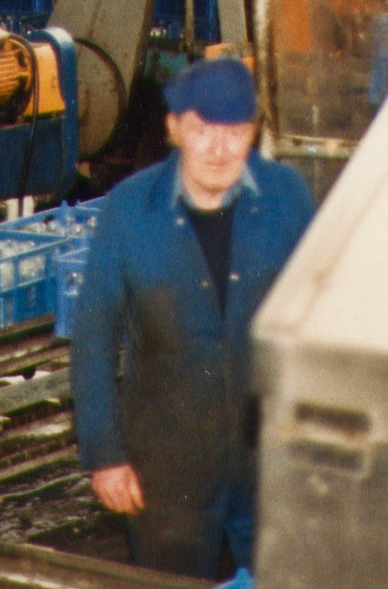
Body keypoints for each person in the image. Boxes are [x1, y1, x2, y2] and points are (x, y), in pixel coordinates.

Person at [70, 57, 314, 578]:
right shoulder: (129, 210)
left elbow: (322, 316)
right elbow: (93, 338)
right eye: (203, 131)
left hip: (270, 465)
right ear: (174, 128)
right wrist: (105, 454)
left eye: (236, 131)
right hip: (167, 473)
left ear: (254, 133)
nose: (220, 150)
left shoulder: (287, 198)